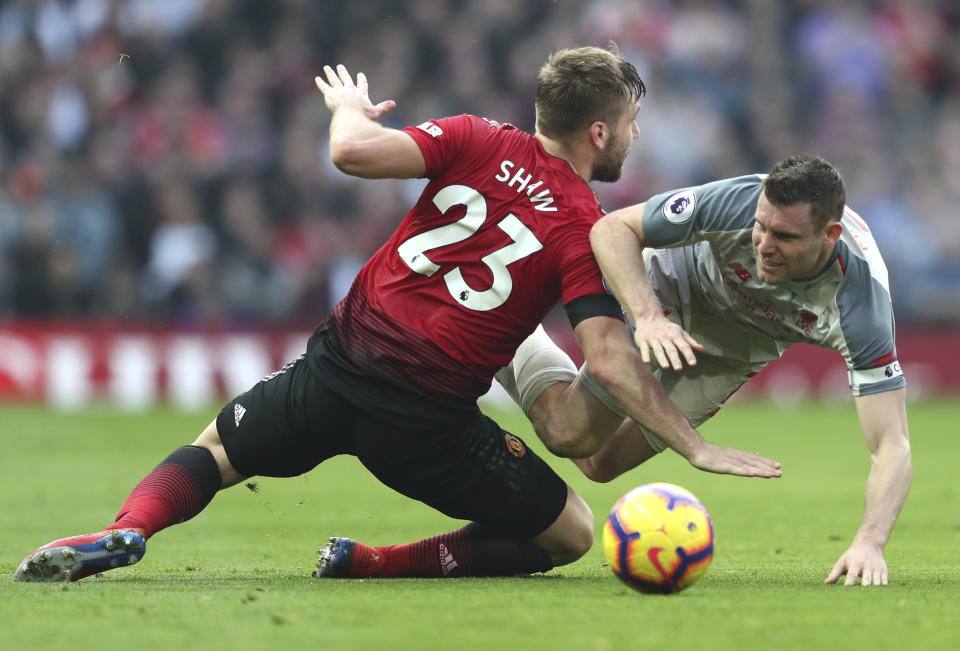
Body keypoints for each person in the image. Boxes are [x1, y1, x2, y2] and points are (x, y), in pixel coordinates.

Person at [14, 46, 778, 584]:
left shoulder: (474, 135)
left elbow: (350, 153)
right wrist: (691, 444)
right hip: (427, 423)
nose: (638, 135)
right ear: (600, 133)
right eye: (633, 123)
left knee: (214, 451)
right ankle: (374, 561)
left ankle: (129, 527)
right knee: (572, 532)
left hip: (335, 367)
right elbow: (607, 360)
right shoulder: (588, 225)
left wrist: (347, 107)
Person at [507, 154, 912, 587]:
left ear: (830, 235)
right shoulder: (736, 200)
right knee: (569, 434)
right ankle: (508, 334)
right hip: (671, 286)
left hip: (732, 350)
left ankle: (516, 339)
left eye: (785, 236)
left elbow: (892, 445)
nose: (764, 244)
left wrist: (869, 542)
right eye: (761, 226)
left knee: (599, 464)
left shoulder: (861, 305)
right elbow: (612, 228)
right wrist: (646, 316)